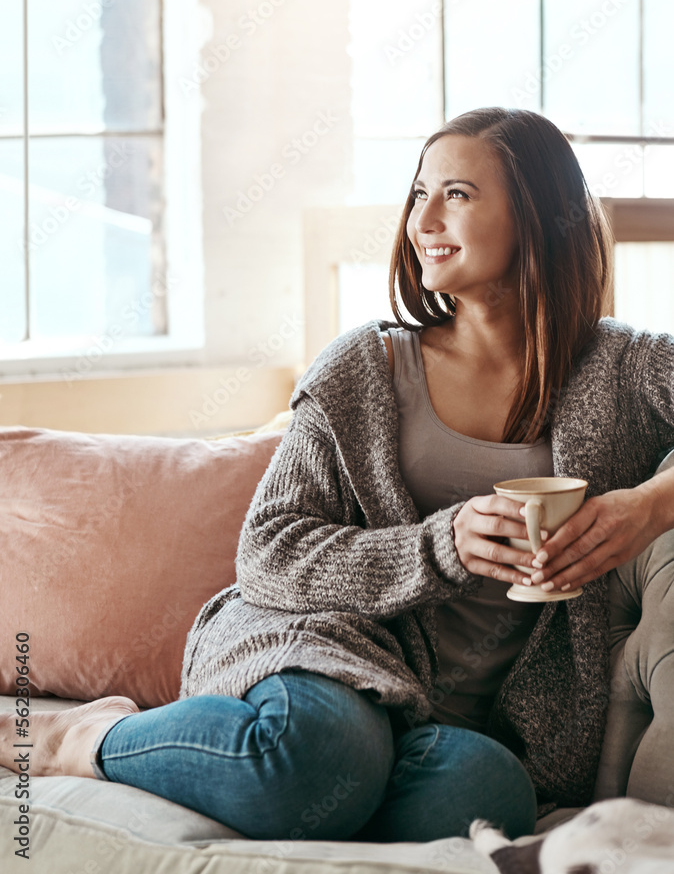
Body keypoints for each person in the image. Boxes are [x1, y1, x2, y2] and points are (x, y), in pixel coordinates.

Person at [2, 107, 673, 844]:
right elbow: (268, 551)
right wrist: (440, 544)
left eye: (458, 194)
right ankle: (83, 740)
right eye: (419, 194)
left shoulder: (625, 370)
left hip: (436, 720)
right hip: (321, 644)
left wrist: (646, 507)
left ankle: (306, 775)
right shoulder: (366, 367)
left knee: (487, 796)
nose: (424, 221)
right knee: (317, 754)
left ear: (541, 215)